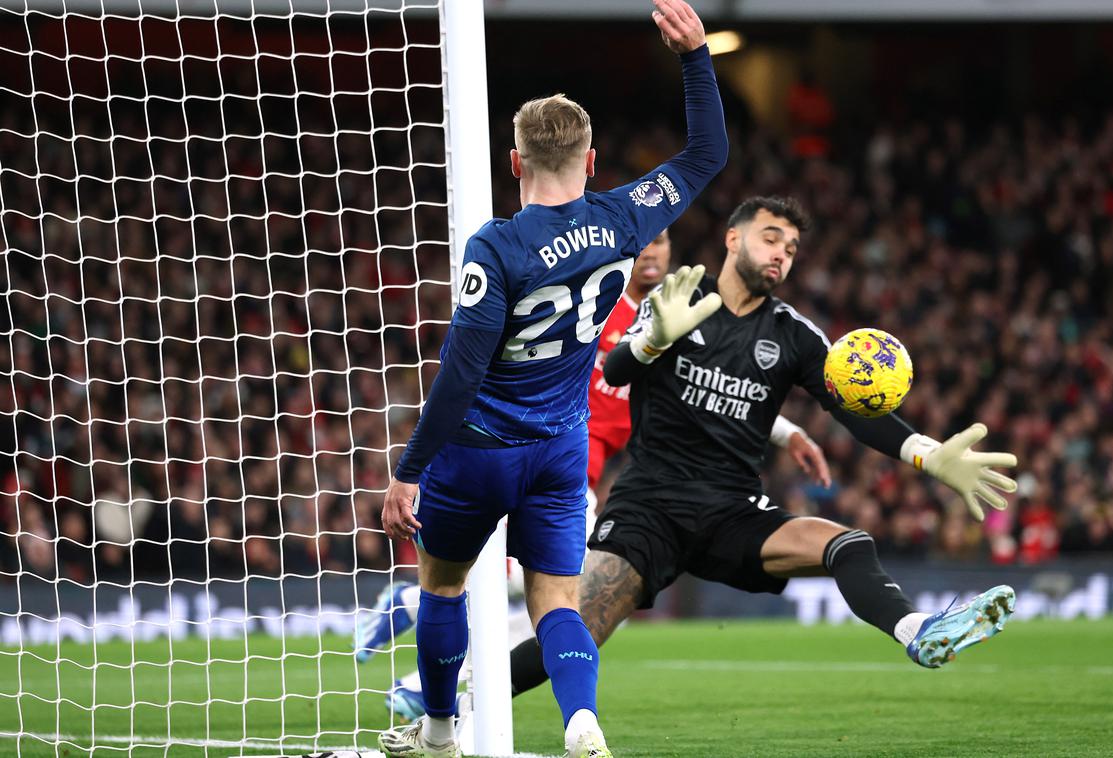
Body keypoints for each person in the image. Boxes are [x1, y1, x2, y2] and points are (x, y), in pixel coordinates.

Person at [501, 194, 1020, 707]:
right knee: (577, 635)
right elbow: (615, 371)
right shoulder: (679, 297)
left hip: (734, 512)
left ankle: (916, 631)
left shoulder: (792, 334)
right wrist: (652, 340)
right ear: (733, 238)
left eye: (791, 249)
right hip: (650, 509)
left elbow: (849, 409)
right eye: (771, 239)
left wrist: (926, 453)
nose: (781, 255)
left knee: (848, 543)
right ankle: (446, 703)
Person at [376, 2, 727, 756]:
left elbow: (461, 373)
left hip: (479, 450)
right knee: (556, 603)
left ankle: (439, 732)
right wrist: (695, 58)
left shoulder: (495, 248)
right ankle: (581, 721)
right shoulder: (628, 218)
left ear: (514, 163)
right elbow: (707, 153)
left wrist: (410, 472)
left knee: (441, 585)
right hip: (561, 449)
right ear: (593, 160)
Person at [356, 228, 833, 722]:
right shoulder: (591, 302)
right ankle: (421, 641)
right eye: (643, 241)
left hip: (568, 473)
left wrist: (789, 432)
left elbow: (717, 392)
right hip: (541, 457)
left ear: (672, 251)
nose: (652, 250)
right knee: (565, 601)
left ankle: (417, 634)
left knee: (554, 597)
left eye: (663, 241)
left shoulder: (672, 320)